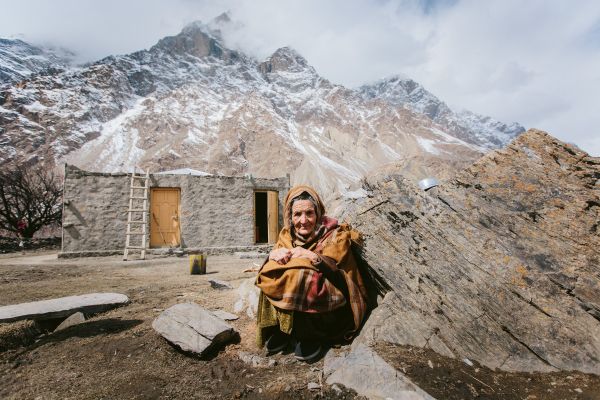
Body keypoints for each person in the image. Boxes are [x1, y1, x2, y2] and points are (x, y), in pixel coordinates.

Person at [255, 185, 368, 361]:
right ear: (290, 217)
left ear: (318, 213)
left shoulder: (334, 233)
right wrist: (273, 255)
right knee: (270, 270)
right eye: (297, 214)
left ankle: (311, 335)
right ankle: (284, 328)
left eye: (309, 213)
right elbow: (276, 258)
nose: (304, 220)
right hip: (300, 297)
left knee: (304, 275)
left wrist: (313, 257)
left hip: (335, 297)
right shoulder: (286, 235)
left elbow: (339, 269)